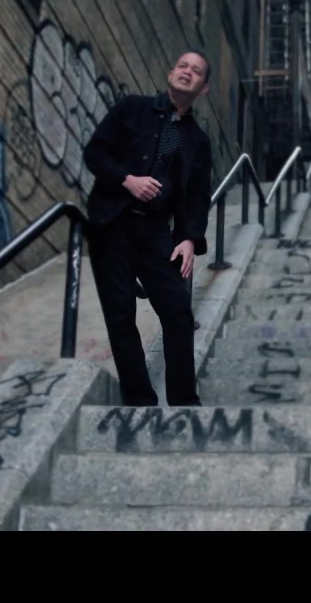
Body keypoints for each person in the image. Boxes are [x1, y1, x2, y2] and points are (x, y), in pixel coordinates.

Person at [81, 48, 213, 407]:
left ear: (203, 88)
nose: (187, 72)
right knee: (121, 313)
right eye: (182, 65)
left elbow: (197, 196)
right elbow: (94, 153)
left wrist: (189, 238)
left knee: (177, 311)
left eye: (196, 71)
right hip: (112, 224)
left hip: (155, 232)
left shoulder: (198, 141)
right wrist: (128, 180)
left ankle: (184, 402)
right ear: (171, 73)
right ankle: (139, 401)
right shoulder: (132, 109)